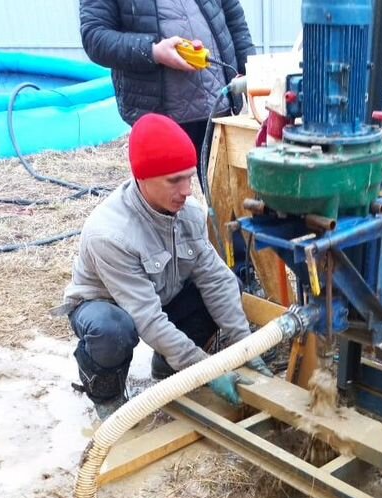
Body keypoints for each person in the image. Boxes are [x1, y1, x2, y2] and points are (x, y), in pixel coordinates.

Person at [58, 113, 271, 418]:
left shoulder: (188, 212)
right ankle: (108, 399)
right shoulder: (110, 234)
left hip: (160, 296)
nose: (187, 190)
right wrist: (205, 370)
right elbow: (146, 317)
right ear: (142, 177)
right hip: (106, 306)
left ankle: (169, 366)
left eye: (188, 176)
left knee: (229, 286)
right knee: (113, 330)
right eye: (175, 180)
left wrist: (245, 348)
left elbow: (215, 279)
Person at [79, 0, 255, 152]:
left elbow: (234, 18)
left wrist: (253, 73)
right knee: (167, 190)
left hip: (217, 104)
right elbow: (95, 37)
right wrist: (152, 52)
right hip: (157, 115)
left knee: (222, 190)